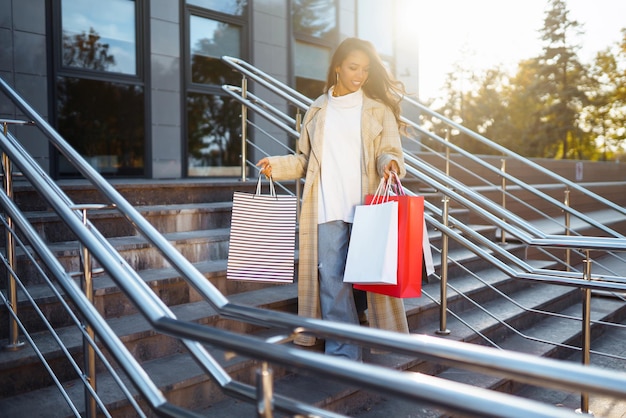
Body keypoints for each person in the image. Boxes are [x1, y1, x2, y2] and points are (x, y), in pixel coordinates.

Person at [257, 37, 409, 361]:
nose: (360, 75)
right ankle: (344, 352)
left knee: (370, 280)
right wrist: (277, 166)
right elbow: (304, 160)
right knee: (331, 280)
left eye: (365, 70)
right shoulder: (316, 110)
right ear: (338, 66)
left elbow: (389, 151)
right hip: (326, 207)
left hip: (367, 208)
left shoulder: (377, 110)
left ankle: (368, 332)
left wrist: (390, 164)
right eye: (353, 67)